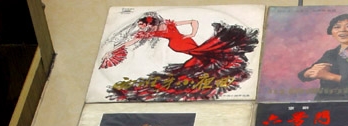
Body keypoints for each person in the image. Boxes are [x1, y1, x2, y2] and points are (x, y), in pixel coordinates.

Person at [99, 12, 258, 72]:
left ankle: (226, 62)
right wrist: (112, 51)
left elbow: (193, 21)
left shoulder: (165, 26)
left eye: (143, 24)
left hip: (183, 43)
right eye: (141, 25)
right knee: (206, 54)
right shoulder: (155, 31)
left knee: (205, 55)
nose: (142, 27)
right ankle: (228, 61)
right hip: (179, 44)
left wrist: (191, 33)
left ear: (149, 23)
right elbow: (130, 42)